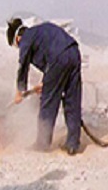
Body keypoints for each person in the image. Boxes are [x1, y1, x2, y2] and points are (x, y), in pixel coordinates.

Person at [7, 18, 82, 155]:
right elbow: (50, 56)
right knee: (72, 100)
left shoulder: (26, 39)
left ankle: (42, 144)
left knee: (48, 102)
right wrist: (46, 81)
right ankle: (73, 144)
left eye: (17, 46)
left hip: (59, 60)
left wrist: (20, 91)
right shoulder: (41, 30)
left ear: (17, 38)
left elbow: (23, 66)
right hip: (74, 52)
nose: (20, 48)